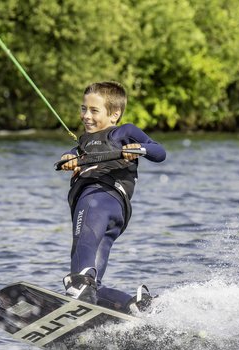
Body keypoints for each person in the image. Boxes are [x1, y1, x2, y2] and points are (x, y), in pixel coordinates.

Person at [57, 81, 166, 313]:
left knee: (80, 279)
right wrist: (68, 158)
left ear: (114, 114)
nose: (86, 116)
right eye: (83, 109)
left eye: (94, 110)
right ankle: (134, 306)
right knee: (92, 283)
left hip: (98, 199)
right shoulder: (83, 143)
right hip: (114, 213)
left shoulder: (123, 133)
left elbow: (159, 152)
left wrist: (138, 149)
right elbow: (71, 154)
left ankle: (81, 285)